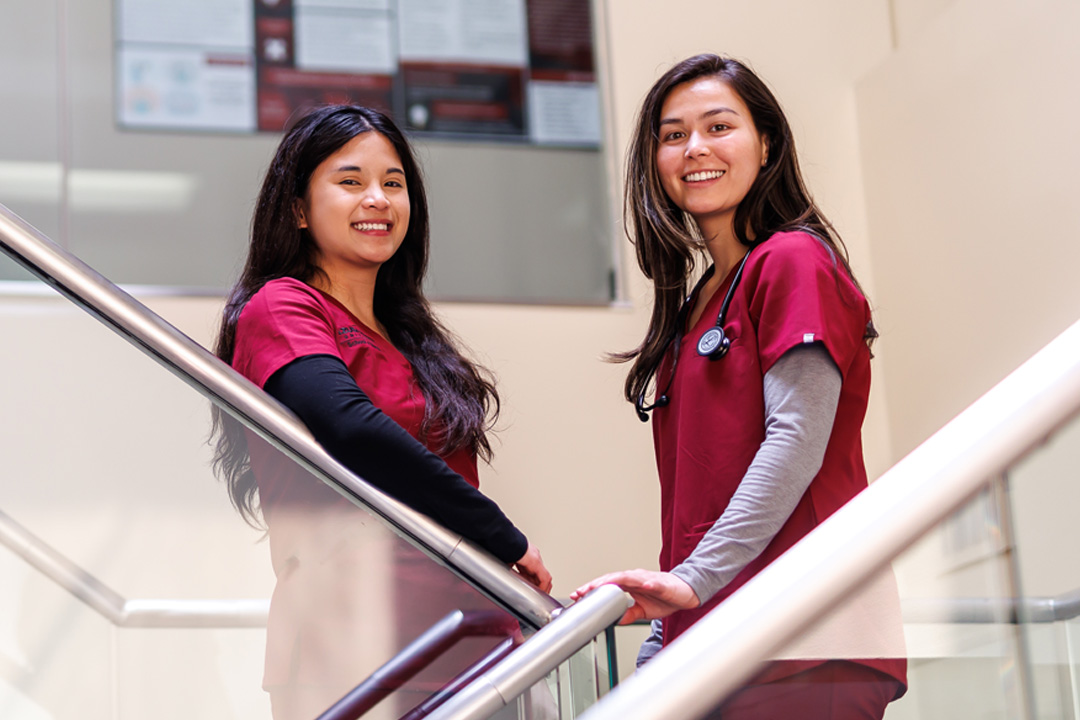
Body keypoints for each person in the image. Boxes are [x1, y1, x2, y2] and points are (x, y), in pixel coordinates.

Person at [571, 54, 906, 718]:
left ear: (767, 143)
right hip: (721, 638)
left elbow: (796, 439)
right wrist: (667, 637)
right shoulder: (698, 302)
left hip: (805, 638)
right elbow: (701, 496)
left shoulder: (793, 259)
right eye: (673, 135)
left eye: (719, 126)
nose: (695, 148)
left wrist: (692, 583)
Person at [210, 104, 551, 719]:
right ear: (298, 208)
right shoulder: (281, 307)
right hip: (353, 649)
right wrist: (504, 537)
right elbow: (351, 431)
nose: (378, 199)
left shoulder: (409, 334)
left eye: (393, 183)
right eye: (350, 181)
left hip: (473, 638)